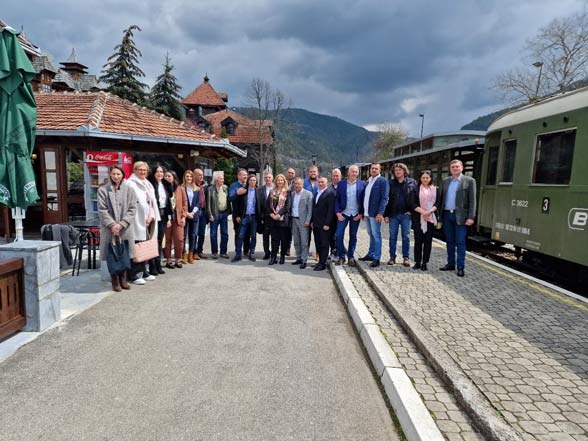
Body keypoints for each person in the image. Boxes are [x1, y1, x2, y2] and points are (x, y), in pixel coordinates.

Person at [97, 165, 137, 292]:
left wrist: (122, 224)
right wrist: (113, 225)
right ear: (110, 174)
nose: (116, 176)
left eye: (118, 174)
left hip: (125, 228)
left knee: (124, 252)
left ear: (123, 175)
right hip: (109, 228)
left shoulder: (129, 189)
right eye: (114, 174)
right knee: (111, 253)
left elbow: (132, 209)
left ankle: (123, 278)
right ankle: (114, 279)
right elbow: (102, 210)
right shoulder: (103, 190)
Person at [439, 159, 476, 277]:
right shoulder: (445, 181)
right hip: (447, 215)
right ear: (450, 169)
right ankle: (450, 264)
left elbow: (472, 201)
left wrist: (471, 217)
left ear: (462, 168)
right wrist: (439, 217)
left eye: (457, 166)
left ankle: (460, 267)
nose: (455, 168)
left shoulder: (469, 181)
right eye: (453, 167)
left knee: (460, 242)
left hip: (461, 217)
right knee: (449, 241)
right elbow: (440, 199)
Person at [126, 161, 160, 284]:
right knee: (136, 246)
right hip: (137, 220)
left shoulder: (147, 183)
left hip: (149, 219)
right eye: (140, 169)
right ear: (134, 170)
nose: (143, 172)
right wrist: (143, 217)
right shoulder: (130, 183)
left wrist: (151, 216)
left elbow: (150, 202)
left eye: (145, 170)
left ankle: (143, 271)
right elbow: (131, 204)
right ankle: (134, 274)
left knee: (145, 246)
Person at [384, 163, 418, 267]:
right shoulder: (391, 183)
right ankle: (392, 257)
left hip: (406, 215)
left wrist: (412, 211)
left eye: (400, 170)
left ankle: (406, 258)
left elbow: (417, 198)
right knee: (393, 237)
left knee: (406, 237)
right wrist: (386, 215)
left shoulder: (412, 182)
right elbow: (387, 200)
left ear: (404, 171)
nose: (398, 172)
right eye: (396, 170)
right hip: (393, 214)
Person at [335, 165, 366, 267]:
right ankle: (341, 256)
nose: (354, 173)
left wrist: (361, 214)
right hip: (343, 213)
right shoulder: (341, 184)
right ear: (348, 173)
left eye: (356, 172)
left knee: (353, 236)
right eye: (352, 171)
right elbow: (337, 199)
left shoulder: (362, 184)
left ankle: (351, 257)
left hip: (355, 215)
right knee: (338, 235)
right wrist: (338, 213)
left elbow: (364, 201)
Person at [359, 163, 389, 268]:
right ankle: (370, 254)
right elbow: (365, 197)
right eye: (372, 168)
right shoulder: (369, 181)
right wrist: (363, 212)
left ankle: (377, 258)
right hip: (367, 213)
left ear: (380, 170)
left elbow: (384, 198)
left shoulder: (383, 181)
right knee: (370, 234)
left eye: (376, 168)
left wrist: (381, 213)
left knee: (376, 235)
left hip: (375, 214)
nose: (374, 170)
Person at [412, 170, 440, 271]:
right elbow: (412, 203)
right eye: (423, 177)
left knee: (428, 241)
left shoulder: (435, 189)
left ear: (431, 178)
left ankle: (425, 262)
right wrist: (423, 212)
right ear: (420, 178)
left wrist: (430, 211)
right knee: (418, 241)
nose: (425, 179)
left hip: (431, 219)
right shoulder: (415, 189)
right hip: (418, 218)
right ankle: (417, 262)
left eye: (427, 178)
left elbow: (438, 203)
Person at [147, 165, 173, 276]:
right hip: (153, 215)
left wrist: (169, 218)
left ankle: (158, 264)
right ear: (153, 173)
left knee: (159, 240)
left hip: (163, 215)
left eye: (161, 171)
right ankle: (152, 265)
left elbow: (168, 202)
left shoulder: (165, 185)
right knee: (152, 240)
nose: (160, 173)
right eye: (157, 171)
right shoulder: (150, 184)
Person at [231, 175, 260, 262]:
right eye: (250, 180)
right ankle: (238, 254)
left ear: (256, 182)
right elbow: (236, 204)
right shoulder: (243, 191)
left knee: (253, 236)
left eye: (254, 180)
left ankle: (251, 254)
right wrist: (236, 215)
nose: (252, 182)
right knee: (240, 236)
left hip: (254, 217)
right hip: (244, 217)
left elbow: (261, 206)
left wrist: (261, 217)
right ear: (248, 181)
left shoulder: (258, 192)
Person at [163, 170, 187, 269]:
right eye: (166, 176)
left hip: (178, 218)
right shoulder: (162, 188)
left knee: (179, 239)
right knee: (167, 240)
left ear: (174, 177)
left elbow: (185, 204)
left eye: (169, 176)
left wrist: (184, 216)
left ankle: (178, 259)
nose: (167, 178)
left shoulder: (180, 189)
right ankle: (168, 260)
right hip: (166, 219)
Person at [311, 176, 335, 271]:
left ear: (327, 183)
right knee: (318, 243)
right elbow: (314, 208)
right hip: (316, 224)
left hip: (324, 224)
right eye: (319, 182)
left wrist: (327, 224)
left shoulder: (330, 193)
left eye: (322, 182)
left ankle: (323, 263)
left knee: (324, 244)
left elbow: (331, 210)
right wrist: (312, 221)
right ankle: (320, 261)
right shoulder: (316, 193)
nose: (320, 183)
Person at [267, 174, 292, 265]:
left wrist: (279, 214)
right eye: (278, 180)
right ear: (276, 181)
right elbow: (268, 205)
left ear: (284, 181)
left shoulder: (288, 192)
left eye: (282, 180)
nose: (280, 182)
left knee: (284, 240)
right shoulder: (272, 192)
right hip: (273, 220)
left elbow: (287, 206)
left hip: (283, 220)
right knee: (274, 240)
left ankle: (282, 257)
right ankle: (273, 257)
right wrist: (272, 215)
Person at [290, 177, 313, 269]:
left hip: (303, 221)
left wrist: (308, 221)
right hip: (294, 220)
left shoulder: (308, 194)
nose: (297, 185)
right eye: (295, 183)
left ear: (302, 184)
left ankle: (304, 260)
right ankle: (298, 257)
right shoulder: (292, 194)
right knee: (296, 241)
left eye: (299, 184)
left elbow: (310, 210)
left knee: (304, 242)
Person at [207, 171, 230, 259]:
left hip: (224, 213)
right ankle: (214, 252)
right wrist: (210, 214)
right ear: (216, 180)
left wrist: (228, 212)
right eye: (221, 179)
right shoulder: (211, 189)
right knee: (213, 234)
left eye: (223, 179)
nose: (223, 180)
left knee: (225, 234)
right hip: (215, 214)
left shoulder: (225, 188)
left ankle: (223, 252)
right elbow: (208, 203)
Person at [229, 169, 250, 256]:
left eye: (246, 175)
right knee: (238, 233)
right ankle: (238, 250)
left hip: (248, 214)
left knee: (247, 234)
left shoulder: (249, 185)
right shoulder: (234, 186)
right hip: (238, 215)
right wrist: (237, 193)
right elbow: (230, 198)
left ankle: (246, 251)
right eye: (243, 175)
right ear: (238, 176)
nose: (245, 176)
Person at [183, 170, 201, 264]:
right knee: (183, 235)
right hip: (184, 215)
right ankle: (184, 254)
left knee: (193, 235)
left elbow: (198, 203)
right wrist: (186, 213)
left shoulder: (197, 189)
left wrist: (192, 213)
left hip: (194, 215)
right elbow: (180, 202)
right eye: (187, 176)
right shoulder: (181, 188)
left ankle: (191, 253)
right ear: (184, 177)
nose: (189, 178)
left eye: (190, 176)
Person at [257, 172, 274, 259]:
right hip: (265, 217)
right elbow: (259, 205)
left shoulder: (276, 189)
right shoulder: (260, 189)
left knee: (275, 236)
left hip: (275, 217)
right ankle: (267, 252)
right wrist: (261, 217)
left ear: (272, 178)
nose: (267, 179)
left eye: (269, 177)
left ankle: (274, 252)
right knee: (265, 236)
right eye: (266, 177)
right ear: (264, 179)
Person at [193, 167, 209, 260]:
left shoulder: (205, 186)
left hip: (203, 212)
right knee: (194, 233)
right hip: (195, 212)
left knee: (202, 233)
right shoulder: (192, 186)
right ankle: (194, 252)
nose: (201, 176)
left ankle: (200, 251)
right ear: (194, 175)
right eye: (199, 175)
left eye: (202, 174)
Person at [329, 168, 343, 260]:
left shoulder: (344, 186)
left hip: (341, 215)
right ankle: (333, 250)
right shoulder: (328, 187)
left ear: (340, 177)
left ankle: (340, 252)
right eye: (334, 176)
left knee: (338, 234)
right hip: (330, 215)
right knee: (330, 234)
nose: (335, 177)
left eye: (337, 176)